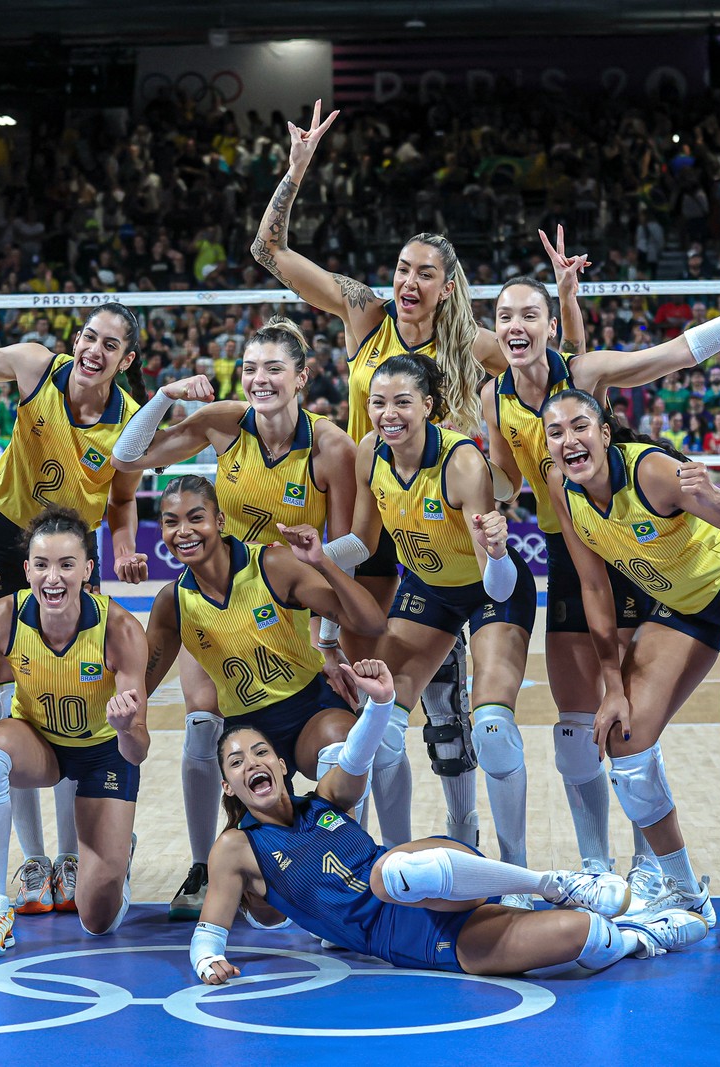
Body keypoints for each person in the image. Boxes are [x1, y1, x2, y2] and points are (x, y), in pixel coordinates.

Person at [250, 103, 549, 850]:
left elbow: (551, 378)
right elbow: (267, 250)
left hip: (439, 521)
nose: (407, 279)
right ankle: (374, 853)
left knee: (449, 709)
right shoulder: (362, 310)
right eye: (401, 268)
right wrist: (294, 173)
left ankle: (464, 836)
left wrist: (507, 487)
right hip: (365, 519)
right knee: (368, 700)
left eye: (424, 272)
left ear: (447, 286)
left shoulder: (477, 344)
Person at [192, 658, 707, 986]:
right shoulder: (238, 846)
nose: (251, 763)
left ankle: (554, 883)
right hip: (402, 936)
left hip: (429, 873)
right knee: (584, 936)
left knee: (388, 873)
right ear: (227, 786)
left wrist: (382, 703)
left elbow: (355, 757)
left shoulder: (322, 801)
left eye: (259, 752)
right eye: (235, 762)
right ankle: (645, 935)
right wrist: (207, 961)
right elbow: (209, 933)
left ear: (281, 765)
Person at [109, 317, 359, 918]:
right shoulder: (226, 423)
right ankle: (203, 868)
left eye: (274, 368)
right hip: (219, 594)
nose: (260, 379)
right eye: (250, 368)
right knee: (201, 729)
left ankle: (343, 866)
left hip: (289, 600)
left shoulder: (331, 448)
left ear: (303, 377)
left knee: (346, 747)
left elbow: (348, 550)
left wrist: (329, 642)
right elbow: (127, 455)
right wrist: (166, 396)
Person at [542, 388, 720, 947]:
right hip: (682, 604)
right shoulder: (565, 489)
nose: (569, 440)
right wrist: (612, 686)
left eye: (580, 426)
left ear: (605, 432)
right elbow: (593, 587)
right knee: (626, 736)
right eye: (555, 432)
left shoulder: (653, 472)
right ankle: (684, 893)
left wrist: (714, 497)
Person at [0, 262, 149, 917]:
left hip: (72, 547)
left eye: (109, 343)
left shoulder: (131, 423)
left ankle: (73, 852)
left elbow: (122, 500)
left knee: (81, 695)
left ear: (126, 358)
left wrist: (122, 543)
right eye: (88, 335)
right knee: (17, 692)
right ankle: (33, 860)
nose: (93, 348)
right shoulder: (37, 364)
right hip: (11, 538)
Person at [318, 353, 538, 892]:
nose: (387, 414)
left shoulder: (463, 464)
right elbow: (364, 546)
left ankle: (513, 873)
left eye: (401, 402)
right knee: (379, 724)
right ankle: (392, 864)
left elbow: (496, 583)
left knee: (492, 729)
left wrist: (498, 552)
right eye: (377, 402)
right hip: (428, 589)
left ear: (428, 406)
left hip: (493, 588)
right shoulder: (371, 452)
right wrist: (315, 556)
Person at [141, 477, 387, 918]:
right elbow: (137, 686)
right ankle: (213, 868)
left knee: (340, 749)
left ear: (218, 520)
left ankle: (354, 873)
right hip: (248, 733)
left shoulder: (271, 564)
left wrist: (322, 563)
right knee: (265, 913)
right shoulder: (172, 602)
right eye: (171, 522)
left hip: (308, 710)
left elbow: (370, 624)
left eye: (196, 517)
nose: (184, 531)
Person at [0, 507, 150, 956]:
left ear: (88, 569)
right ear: (26, 570)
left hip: (104, 751)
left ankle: (116, 858)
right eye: (42, 565)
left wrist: (125, 728)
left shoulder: (119, 629)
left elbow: (137, 751)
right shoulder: (5, 616)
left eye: (66, 565)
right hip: (40, 745)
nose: (53, 578)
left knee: (96, 920)